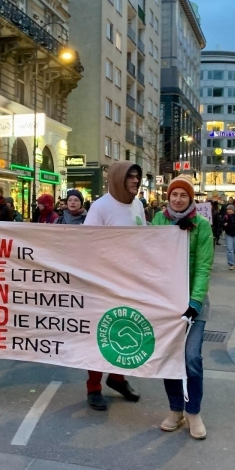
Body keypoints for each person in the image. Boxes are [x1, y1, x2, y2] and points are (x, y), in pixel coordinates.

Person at [152, 175, 213, 440]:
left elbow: (203, 265)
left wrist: (195, 302)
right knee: (170, 357)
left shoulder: (201, 226)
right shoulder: (158, 221)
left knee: (191, 358)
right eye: (174, 194)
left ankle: (194, 412)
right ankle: (176, 409)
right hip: (166, 302)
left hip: (193, 303)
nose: (178, 199)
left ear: (191, 199)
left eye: (183, 195)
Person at [82, 161, 146, 410]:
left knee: (126, 331)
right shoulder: (100, 207)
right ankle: (93, 386)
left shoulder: (138, 205)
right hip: (106, 283)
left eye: (137, 177)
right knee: (101, 334)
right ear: (118, 178)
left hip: (132, 282)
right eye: (130, 177)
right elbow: (88, 245)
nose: (135, 181)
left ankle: (117, 378)